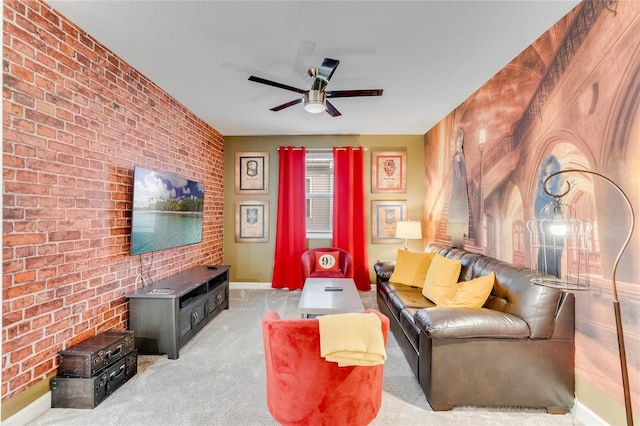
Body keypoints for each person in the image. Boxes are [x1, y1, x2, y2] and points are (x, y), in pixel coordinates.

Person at [447, 128, 469, 248]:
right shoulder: (456, 156)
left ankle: (458, 243)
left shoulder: (460, 156)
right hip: (457, 190)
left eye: (460, 141)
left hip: (460, 190)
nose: (458, 144)